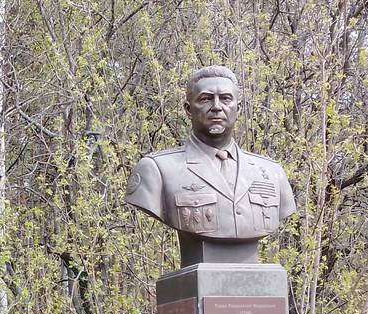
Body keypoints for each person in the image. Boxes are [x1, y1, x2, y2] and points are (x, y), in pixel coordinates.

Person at [125, 65, 297, 242]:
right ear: (188, 109)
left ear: (238, 109)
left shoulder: (271, 172)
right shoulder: (157, 170)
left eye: (225, 99)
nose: (216, 107)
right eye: (206, 99)